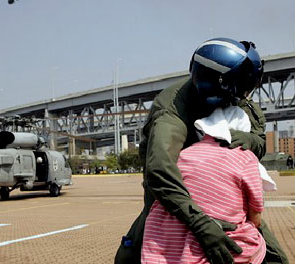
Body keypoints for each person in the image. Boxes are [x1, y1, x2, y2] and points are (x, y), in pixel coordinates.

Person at [114, 38, 288, 264]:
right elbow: (160, 172)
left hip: (228, 201)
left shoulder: (236, 98)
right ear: (223, 84)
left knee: (276, 259)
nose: (246, 95)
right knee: (131, 257)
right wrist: (201, 223)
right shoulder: (172, 110)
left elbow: (259, 142)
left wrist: (248, 140)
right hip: (174, 203)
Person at [142, 105, 274, 264]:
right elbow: (256, 217)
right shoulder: (245, 158)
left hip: (167, 249)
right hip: (221, 251)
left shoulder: (182, 155)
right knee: (257, 241)